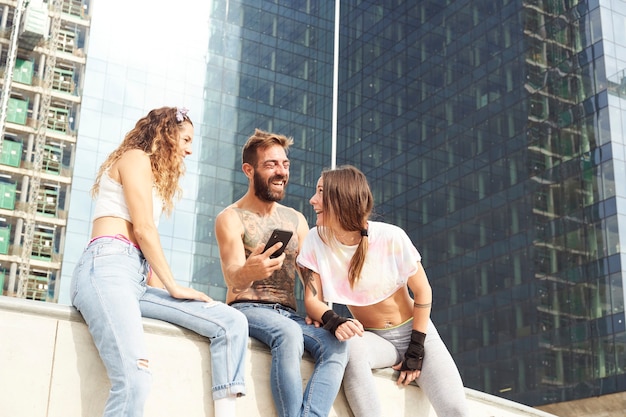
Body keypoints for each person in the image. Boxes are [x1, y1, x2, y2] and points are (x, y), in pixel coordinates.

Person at [70, 107, 248, 417]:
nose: (190, 149)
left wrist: (163, 288)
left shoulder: (151, 175)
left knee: (230, 321)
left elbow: (141, 248)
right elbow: (143, 230)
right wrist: (174, 286)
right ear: (166, 133)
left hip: (136, 279)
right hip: (106, 269)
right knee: (135, 379)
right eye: (186, 139)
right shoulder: (134, 158)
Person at [297, 165, 470, 417]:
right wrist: (334, 321)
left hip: (417, 332)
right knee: (352, 348)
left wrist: (416, 349)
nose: (313, 200)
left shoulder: (391, 237)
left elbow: (423, 292)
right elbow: (312, 300)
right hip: (374, 339)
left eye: (321, 192)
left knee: (456, 409)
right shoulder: (315, 240)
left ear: (341, 198)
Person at [214, 128, 348, 417]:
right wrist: (251, 269)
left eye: (285, 164)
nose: (281, 172)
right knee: (288, 334)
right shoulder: (231, 218)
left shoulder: (295, 220)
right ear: (249, 170)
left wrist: (322, 313)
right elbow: (232, 279)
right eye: (271, 164)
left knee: (336, 345)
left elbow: (310, 282)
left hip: (289, 314)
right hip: (246, 308)